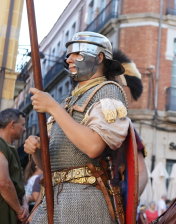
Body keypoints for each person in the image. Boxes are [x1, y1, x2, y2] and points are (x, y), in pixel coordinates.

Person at [24, 32, 148, 223]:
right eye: (68, 54)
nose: (68, 59)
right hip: (53, 198)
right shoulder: (67, 102)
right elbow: (50, 165)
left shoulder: (108, 91)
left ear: (99, 57)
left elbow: (93, 147)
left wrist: (53, 108)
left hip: (85, 201)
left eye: (76, 54)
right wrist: (37, 151)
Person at [0, 108, 29, 224]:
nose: (25, 129)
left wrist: (24, 204)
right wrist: (19, 211)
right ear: (12, 125)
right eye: (22, 125)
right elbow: (4, 183)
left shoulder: (8, 147)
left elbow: (17, 184)